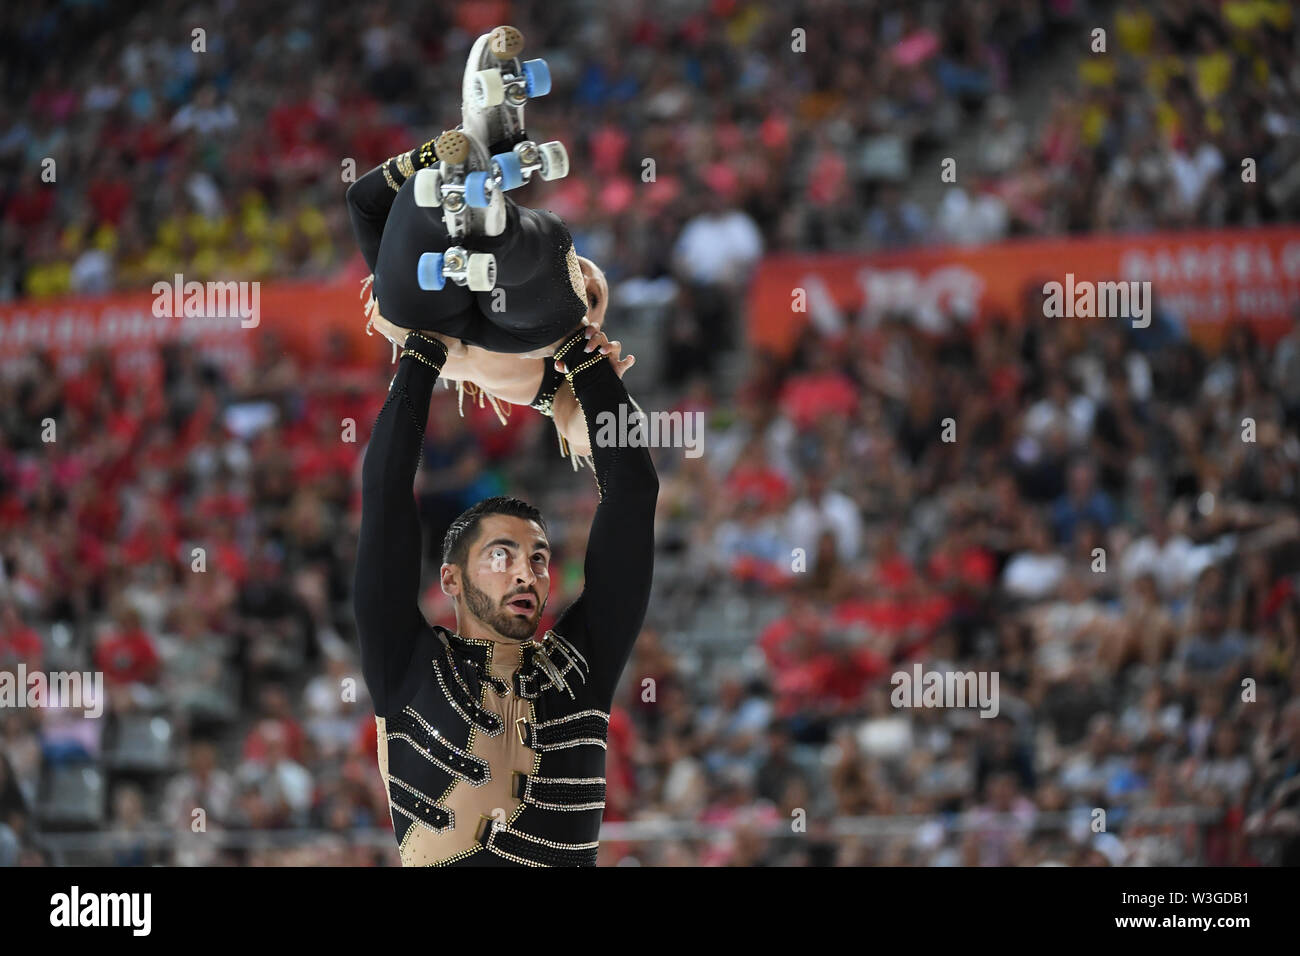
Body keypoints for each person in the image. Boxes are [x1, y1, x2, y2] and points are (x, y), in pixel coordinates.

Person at [353, 313, 657, 865]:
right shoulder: (407, 664)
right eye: (501, 555)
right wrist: (423, 351)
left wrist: (585, 359)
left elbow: (634, 493)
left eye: (539, 559)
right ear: (450, 578)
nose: (526, 574)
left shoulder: (579, 673)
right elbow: (386, 492)